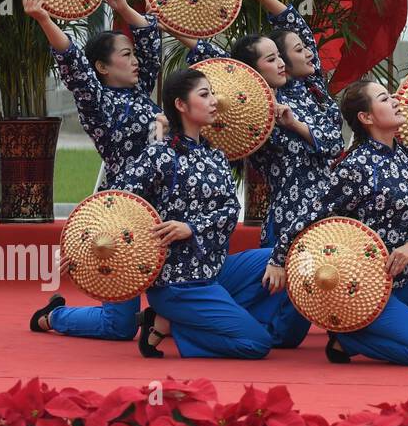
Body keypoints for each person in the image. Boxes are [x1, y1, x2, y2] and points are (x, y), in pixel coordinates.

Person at [170, 0, 341, 351]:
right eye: (272, 58)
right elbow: (208, 57)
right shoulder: (253, 112)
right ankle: (186, 322)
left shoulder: (310, 88)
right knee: (282, 335)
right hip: (292, 213)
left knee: (294, 319)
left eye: (283, 56)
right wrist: (171, 18)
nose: (282, 62)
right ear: (252, 70)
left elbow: (298, 30)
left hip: (329, 206)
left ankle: (184, 320)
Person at [268, 80, 408, 366]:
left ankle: (369, 337)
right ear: (366, 118)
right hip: (367, 283)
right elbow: (312, 213)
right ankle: (351, 337)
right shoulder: (355, 166)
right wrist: (278, 259)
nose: (395, 101)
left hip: (406, 272)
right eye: (384, 99)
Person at [116, 69, 296, 360]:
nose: (215, 101)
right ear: (181, 105)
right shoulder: (159, 155)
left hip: (214, 270)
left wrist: (192, 226)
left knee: (292, 257)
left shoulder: (215, 155)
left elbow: (230, 209)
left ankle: (184, 319)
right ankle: (173, 321)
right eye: (204, 94)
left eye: (212, 93)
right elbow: (118, 205)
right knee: (257, 345)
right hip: (177, 281)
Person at [25, 0, 166, 341]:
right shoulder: (97, 102)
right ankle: (54, 316)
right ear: (102, 67)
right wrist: (43, 18)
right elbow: (73, 61)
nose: (135, 61)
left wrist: (121, 5)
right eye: (125, 55)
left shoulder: (139, 87)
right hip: (121, 211)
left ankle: (166, 318)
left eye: (132, 54)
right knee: (117, 327)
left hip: (165, 204)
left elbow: (150, 40)